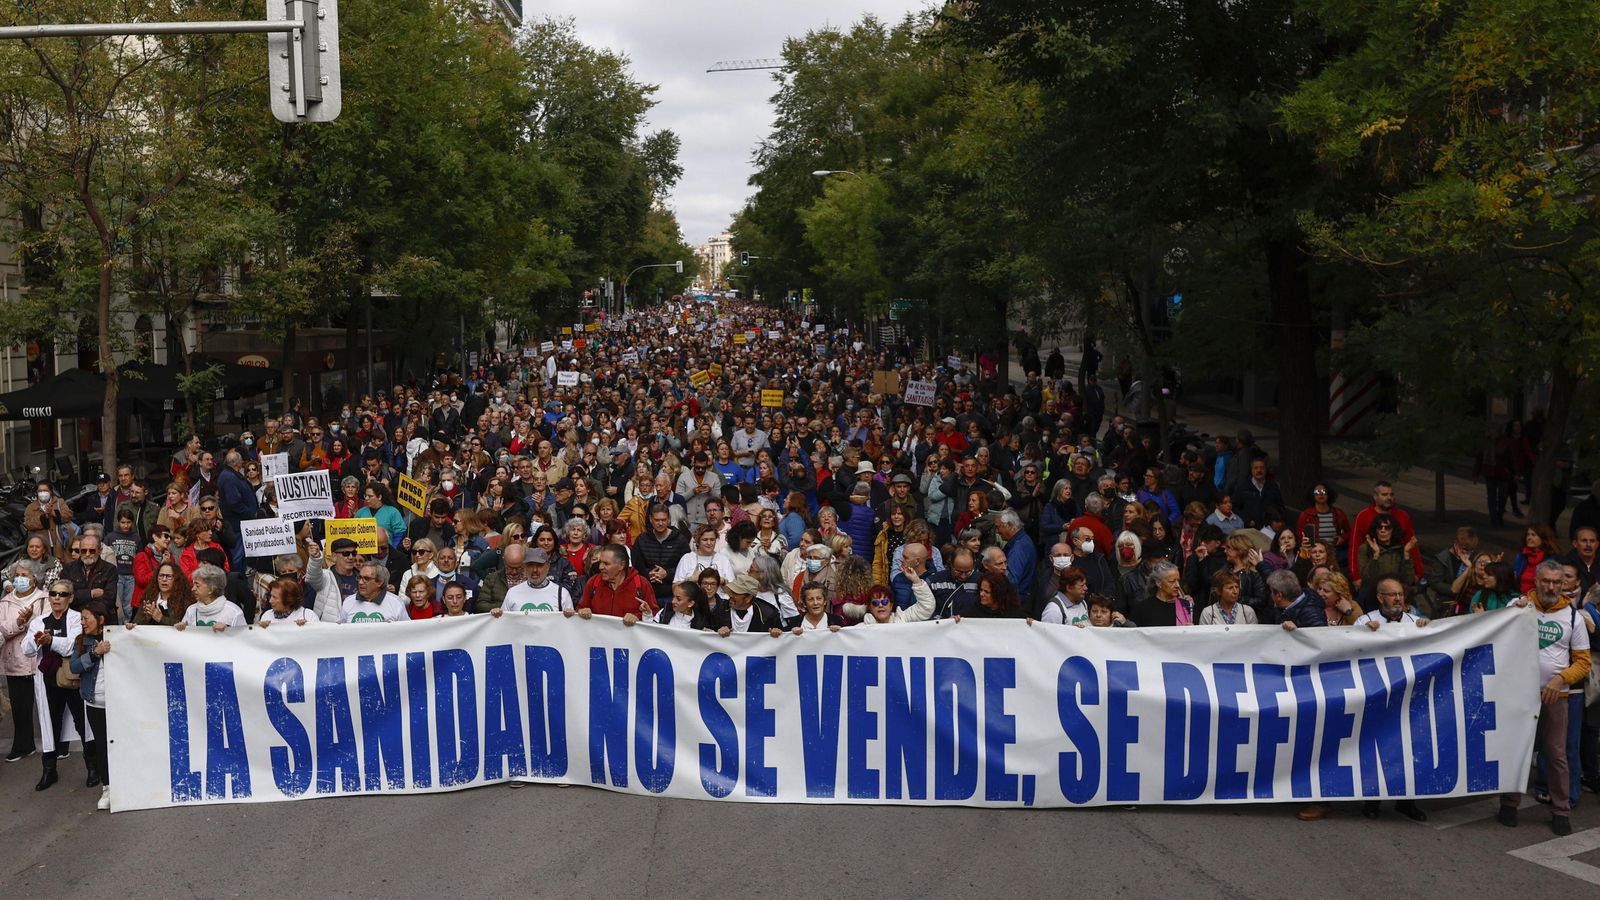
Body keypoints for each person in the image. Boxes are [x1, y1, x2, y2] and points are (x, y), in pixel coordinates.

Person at [1501, 560, 1590, 836]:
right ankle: (1508, 804)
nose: (1551, 587)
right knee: (1517, 749)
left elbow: (1583, 662)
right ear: (1536, 581)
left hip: (1556, 696)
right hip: (1520, 694)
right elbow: (1498, 641)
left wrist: (1560, 678)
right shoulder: (1518, 607)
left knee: (1556, 754)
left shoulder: (1573, 617)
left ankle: (1561, 810)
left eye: (1556, 582)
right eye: (1546, 581)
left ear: (1563, 584)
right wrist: (1513, 614)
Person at [24, 579, 85, 791]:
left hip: (72, 679)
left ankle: (93, 768)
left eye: (62, 594)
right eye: (53, 594)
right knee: (51, 725)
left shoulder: (77, 618)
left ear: (71, 598)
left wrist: (51, 641)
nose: (57, 598)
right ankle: (49, 771)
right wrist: (37, 640)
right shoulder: (39, 621)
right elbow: (26, 649)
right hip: (49, 681)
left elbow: (73, 645)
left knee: (82, 722)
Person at [68, 598, 113, 810]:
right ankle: (108, 787)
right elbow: (74, 666)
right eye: (81, 619)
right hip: (95, 704)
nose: (83, 622)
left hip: (119, 704)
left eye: (86, 618)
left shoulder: (117, 636)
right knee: (102, 746)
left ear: (101, 619)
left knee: (123, 744)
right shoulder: (81, 641)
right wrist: (95, 653)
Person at [1, 559, 48, 761]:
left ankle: (56, 746)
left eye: (24, 575)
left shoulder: (44, 599)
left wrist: (31, 622)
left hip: (41, 660)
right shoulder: (5, 602)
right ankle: (22, 745)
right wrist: (20, 622)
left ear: (34, 579)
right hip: (15, 660)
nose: (20, 579)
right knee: (20, 708)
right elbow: (3, 629)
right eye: (17, 575)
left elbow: (47, 625)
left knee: (49, 706)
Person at [1348, 481, 1423, 586]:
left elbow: (1412, 546)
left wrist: (1419, 573)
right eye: (1384, 494)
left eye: (1391, 494)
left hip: (1398, 573)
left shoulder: (1403, 516)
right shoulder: (1363, 516)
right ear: (1375, 496)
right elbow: (1354, 547)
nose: (1389, 498)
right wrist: (1355, 576)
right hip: (1372, 572)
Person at [575, 544, 657, 623]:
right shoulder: (593, 582)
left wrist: (637, 617)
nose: (600, 567)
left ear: (621, 565)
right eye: (600, 562)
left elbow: (654, 614)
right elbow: (580, 608)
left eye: (606, 564)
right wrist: (583, 611)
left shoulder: (641, 584)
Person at [495, 548, 574, 615]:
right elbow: (503, 622)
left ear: (548, 567)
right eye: (530, 565)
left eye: (539, 565)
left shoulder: (562, 593)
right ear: (524, 567)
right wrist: (495, 615)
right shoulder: (513, 592)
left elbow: (569, 625)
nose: (535, 570)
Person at [177, 565, 248, 631]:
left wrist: (228, 631)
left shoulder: (234, 612)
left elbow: (243, 637)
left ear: (211, 589)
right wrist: (181, 630)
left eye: (197, 585)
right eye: (193, 585)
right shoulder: (191, 610)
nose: (193, 589)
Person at [713, 573, 784, 637]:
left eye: (736, 593)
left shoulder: (768, 614)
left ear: (748, 598)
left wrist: (776, 633)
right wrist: (717, 632)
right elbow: (709, 634)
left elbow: (782, 639)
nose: (730, 595)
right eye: (731, 591)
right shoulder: (720, 609)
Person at [23, 480, 76, 563]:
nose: (42, 493)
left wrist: (53, 513)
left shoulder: (59, 502)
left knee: (61, 565)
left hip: (60, 544)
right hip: (42, 547)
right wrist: (44, 516)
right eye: (40, 491)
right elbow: (28, 524)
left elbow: (68, 515)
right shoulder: (31, 507)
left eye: (45, 490)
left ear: (50, 492)